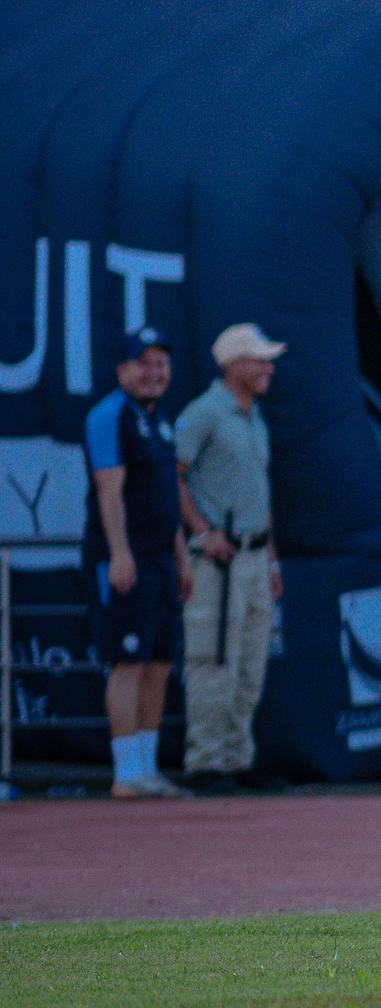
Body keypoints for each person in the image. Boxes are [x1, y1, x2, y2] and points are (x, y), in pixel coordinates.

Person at [82, 329, 194, 799]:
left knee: (161, 661)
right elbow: (109, 490)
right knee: (128, 661)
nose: (154, 373)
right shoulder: (109, 415)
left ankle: (146, 768)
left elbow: (165, 496)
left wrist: (182, 556)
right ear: (122, 370)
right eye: (143, 363)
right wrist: (120, 552)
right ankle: (125, 771)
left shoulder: (159, 419)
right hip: (125, 558)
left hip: (160, 559)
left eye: (161, 364)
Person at [175, 323, 286, 794]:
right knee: (213, 658)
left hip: (255, 557)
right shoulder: (204, 413)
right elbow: (172, 476)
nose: (268, 369)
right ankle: (205, 762)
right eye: (260, 360)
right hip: (220, 560)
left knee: (249, 662)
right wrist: (204, 533)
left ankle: (238, 758)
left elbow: (258, 493)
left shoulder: (253, 415)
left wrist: (272, 559)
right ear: (233, 364)